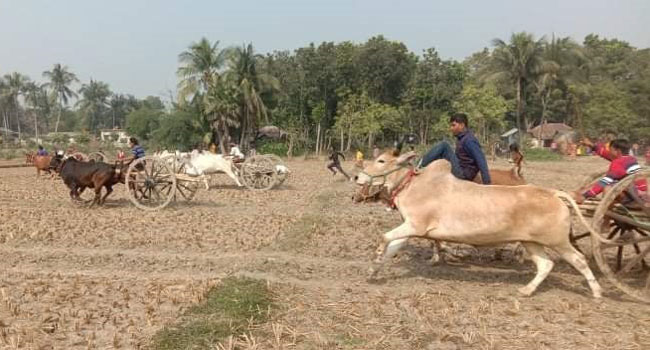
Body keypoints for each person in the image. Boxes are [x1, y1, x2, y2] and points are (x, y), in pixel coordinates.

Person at [418, 113, 491, 184]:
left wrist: (487, 183)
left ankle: (420, 166)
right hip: (461, 168)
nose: (451, 128)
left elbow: (481, 160)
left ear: (462, 125)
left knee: (444, 145)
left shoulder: (469, 140)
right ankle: (425, 169)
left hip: (463, 174)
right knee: (441, 154)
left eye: (453, 125)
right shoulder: (462, 138)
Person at [573, 139, 647, 204]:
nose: (609, 152)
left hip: (635, 196)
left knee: (607, 188)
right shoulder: (630, 159)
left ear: (617, 151)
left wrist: (586, 196)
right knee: (605, 183)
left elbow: (605, 182)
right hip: (640, 191)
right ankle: (580, 193)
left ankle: (605, 217)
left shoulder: (618, 163)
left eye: (610, 150)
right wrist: (592, 146)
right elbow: (607, 155)